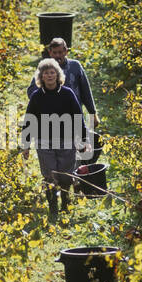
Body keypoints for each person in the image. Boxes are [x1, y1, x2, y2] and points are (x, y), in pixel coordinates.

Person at [22, 57, 84, 219]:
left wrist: (82, 138)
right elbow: (30, 120)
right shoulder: (37, 96)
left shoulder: (67, 94)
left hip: (66, 140)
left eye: (52, 73)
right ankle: (53, 207)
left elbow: (78, 117)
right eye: (46, 73)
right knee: (49, 174)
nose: (49, 76)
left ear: (57, 75)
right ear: (41, 77)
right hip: (44, 141)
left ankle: (65, 201)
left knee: (65, 175)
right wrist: (26, 144)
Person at [27, 36, 98, 136]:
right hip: (50, 120)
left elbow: (85, 91)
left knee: (74, 147)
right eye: (54, 53)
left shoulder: (75, 66)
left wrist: (93, 113)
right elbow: (31, 92)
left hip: (73, 116)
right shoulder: (44, 68)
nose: (57, 55)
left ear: (66, 51)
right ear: (50, 52)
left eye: (60, 52)